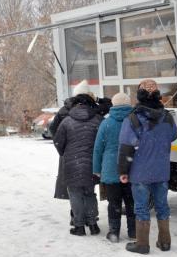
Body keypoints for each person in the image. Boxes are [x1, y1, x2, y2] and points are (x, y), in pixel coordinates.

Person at [118, 79, 177, 254]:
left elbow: (126, 146)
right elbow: (173, 135)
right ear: (158, 95)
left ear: (139, 95)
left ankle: (143, 244)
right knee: (162, 206)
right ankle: (165, 241)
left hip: (140, 172)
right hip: (161, 170)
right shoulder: (166, 116)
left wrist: (123, 171)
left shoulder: (133, 118)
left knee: (141, 208)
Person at [53, 80, 103, 236]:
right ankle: (93, 224)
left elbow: (58, 141)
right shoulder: (97, 119)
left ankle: (79, 226)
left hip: (72, 163)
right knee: (90, 193)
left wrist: (65, 153)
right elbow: (102, 141)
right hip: (91, 163)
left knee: (75, 194)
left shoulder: (67, 120)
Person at [93, 92, 135, 243]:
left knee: (114, 203)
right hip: (131, 168)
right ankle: (133, 232)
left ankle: (114, 233)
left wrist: (97, 169)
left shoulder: (106, 123)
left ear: (113, 105)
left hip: (111, 169)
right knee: (132, 203)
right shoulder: (134, 121)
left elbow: (98, 148)